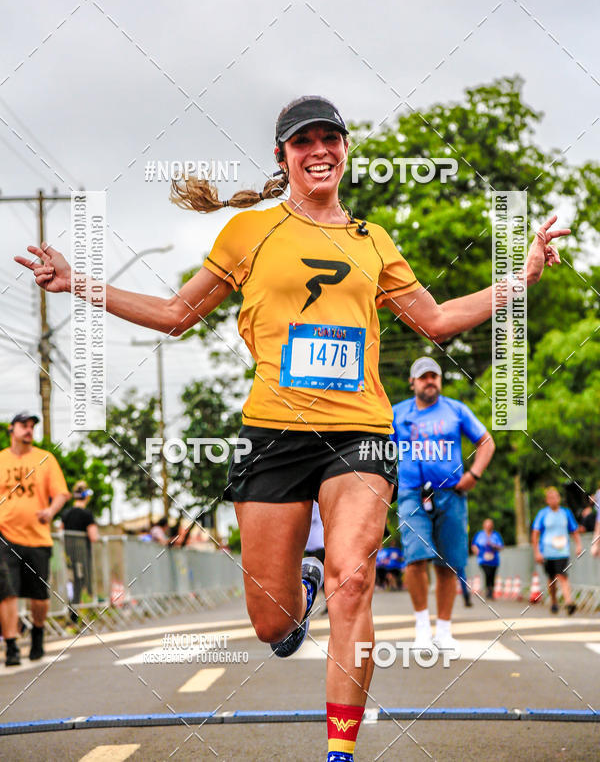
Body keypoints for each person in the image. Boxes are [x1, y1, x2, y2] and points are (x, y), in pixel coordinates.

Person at [16, 95, 568, 761]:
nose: (319, 151)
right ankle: (299, 588)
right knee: (271, 623)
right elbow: (173, 313)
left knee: (355, 580)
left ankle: (340, 749)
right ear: (283, 157)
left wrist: (522, 278)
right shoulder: (248, 234)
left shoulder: (372, 240)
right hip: (274, 434)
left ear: (344, 151)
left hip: (361, 433)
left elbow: (438, 320)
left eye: (329, 139)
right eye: (303, 141)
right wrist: (78, 285)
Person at [391, 358, 496, 654]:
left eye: (434, 376)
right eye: (423, 377)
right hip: (412, 493)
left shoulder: (456, 410)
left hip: (451, 493)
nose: (430, 381)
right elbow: (382, 451)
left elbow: (486, 441)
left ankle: (444, 631)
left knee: (449, 563)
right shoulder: (397, 414)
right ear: (413, 382)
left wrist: (473, 475)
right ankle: (422, 627)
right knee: (415, 557)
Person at [0, 412, 70, 665]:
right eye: (23, 425)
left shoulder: (45, 459)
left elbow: (62, 493)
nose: (29, 430)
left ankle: (38, 633)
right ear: (12, 429)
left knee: (39, 596)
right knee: (6, 592)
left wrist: (50, 512)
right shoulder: (1, 460)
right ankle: (11, 646)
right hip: (5, 535)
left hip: (38, 537)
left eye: (32, 426)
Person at [532, 487, 582, 614]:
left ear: (559, 498)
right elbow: (535, 533)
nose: (554, 500)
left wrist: (578, 545)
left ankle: (569, 602)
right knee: (551, 578)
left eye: (555, 497)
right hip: (547, 552)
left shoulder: (566, 513)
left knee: (563, 576)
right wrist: (537, 551)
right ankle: (554, 601)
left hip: (562, 551)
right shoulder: (543, 514)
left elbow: (574, 530)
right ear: (547, 501)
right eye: (551, 498)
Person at [61, 481, 98, 622]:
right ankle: (73, 613)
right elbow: (93, 536)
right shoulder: (87, 515)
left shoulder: (66, 514)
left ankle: (73, 611)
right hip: (81, 555)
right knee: (79, 581)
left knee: (70, 581)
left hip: (67, 553)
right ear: (86, 497)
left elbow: (61, 532)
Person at [472, 518, 504, 599]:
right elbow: (474, 545)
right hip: (483, 560)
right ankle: (488, 591)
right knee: (487, 573)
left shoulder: (496, 535)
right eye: (487, 525)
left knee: (492, 575)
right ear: (484, 526)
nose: (488, 527)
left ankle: (491, 591)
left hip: (494, 560)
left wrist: (494, 546)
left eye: (490, 525)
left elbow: (501, 546)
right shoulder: (479, 535)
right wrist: (477, 552)